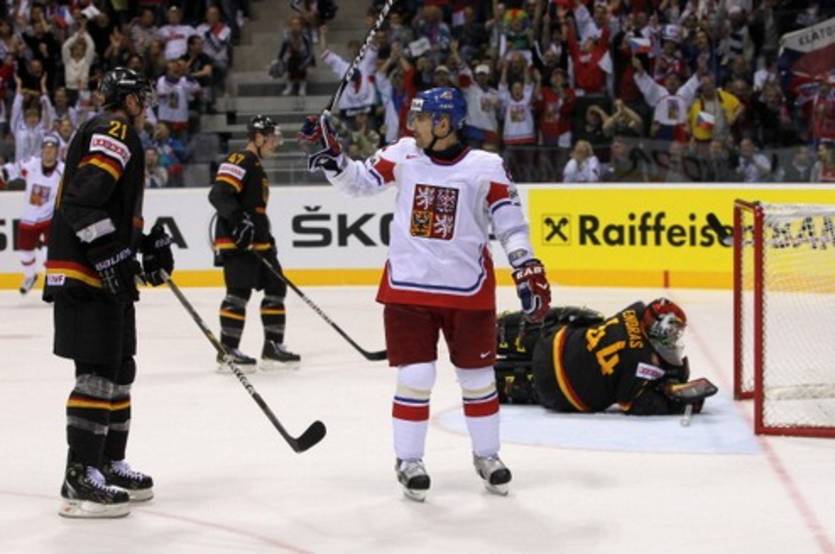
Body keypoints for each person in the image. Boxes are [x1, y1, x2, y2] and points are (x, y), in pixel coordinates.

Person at [299, 87, 552, 501]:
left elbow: (511, 224)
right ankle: (409, 461)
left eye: (419, 118)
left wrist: (526, 265)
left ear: (444, 123)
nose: (411, 124)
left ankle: (487, 456)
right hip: (409, 289)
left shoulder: (486, 166)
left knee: (479, 379)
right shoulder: (403, 154)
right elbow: (359, 183)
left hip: (467, 291)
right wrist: (334, 157)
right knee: (415, 377)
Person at [43, 67, 174, 518]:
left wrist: (140, 248)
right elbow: (81, 201)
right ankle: (79, 476)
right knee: (97, 373)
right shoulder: (114, 130)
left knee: (119, 369)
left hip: (100, 274)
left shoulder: (116, 134)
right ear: (128, 100)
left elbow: (106, 209)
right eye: (142, 97)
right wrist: (107, 251)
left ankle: (107, 463)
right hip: (84, 274)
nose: (146, 105)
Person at [494, 299, 716, 415]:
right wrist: (674, 402)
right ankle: (504, 384)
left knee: (587, 317)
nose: (673, 338)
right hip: (558, 389)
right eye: (671, 332)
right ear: (656, 328)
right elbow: (633, 404)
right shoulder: (640, 362)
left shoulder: (634, 311)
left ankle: (507, 330)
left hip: (554, 341)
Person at [208, 115, 301, 373]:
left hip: (258, 243)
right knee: (238, 293)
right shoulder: (241, 159)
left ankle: (272, 348)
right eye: (271, 139)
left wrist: (266, 238)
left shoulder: (256, 166)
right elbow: (219, 194)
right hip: (238, 243)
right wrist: (239, 223)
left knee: (276, 287)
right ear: (258, 137)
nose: (275, 144)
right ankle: (227, 352)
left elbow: (255, 209)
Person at [2, 134, 64, 294]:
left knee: (49, 253)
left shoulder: (63, 170)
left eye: (52, 148)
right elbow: (13, 169)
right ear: (41, 150)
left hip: (50, 218)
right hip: (29, 217)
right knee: (25, 252)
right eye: (46, 148)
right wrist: (3, 174)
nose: (48, 151)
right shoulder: (32, 164)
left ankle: (53, 283)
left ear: (57, 151)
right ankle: (30, 276)